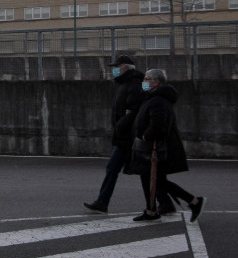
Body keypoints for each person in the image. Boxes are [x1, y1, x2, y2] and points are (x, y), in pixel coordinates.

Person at [83, 55, 176, 214]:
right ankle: (165, 202)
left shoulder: (133, 85)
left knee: (117, 169)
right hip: (127, 136)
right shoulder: (125, 84)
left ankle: (103, 202)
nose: (114, 70)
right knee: (141, 171)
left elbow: (133, 111)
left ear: (125, 68)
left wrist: (120, 125)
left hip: (128, 137)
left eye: (116, 67)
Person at [128, 68, 206, 222]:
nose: (144, 82)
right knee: (151, 179)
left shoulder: (158, 100)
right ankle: (151, 210)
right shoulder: (154, 97)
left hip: (153, 148)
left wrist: (145, 135)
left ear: (156, 82)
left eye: (147, 79)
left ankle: (194, 201)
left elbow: (159, 125)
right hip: (150, 148)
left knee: (155, 180)